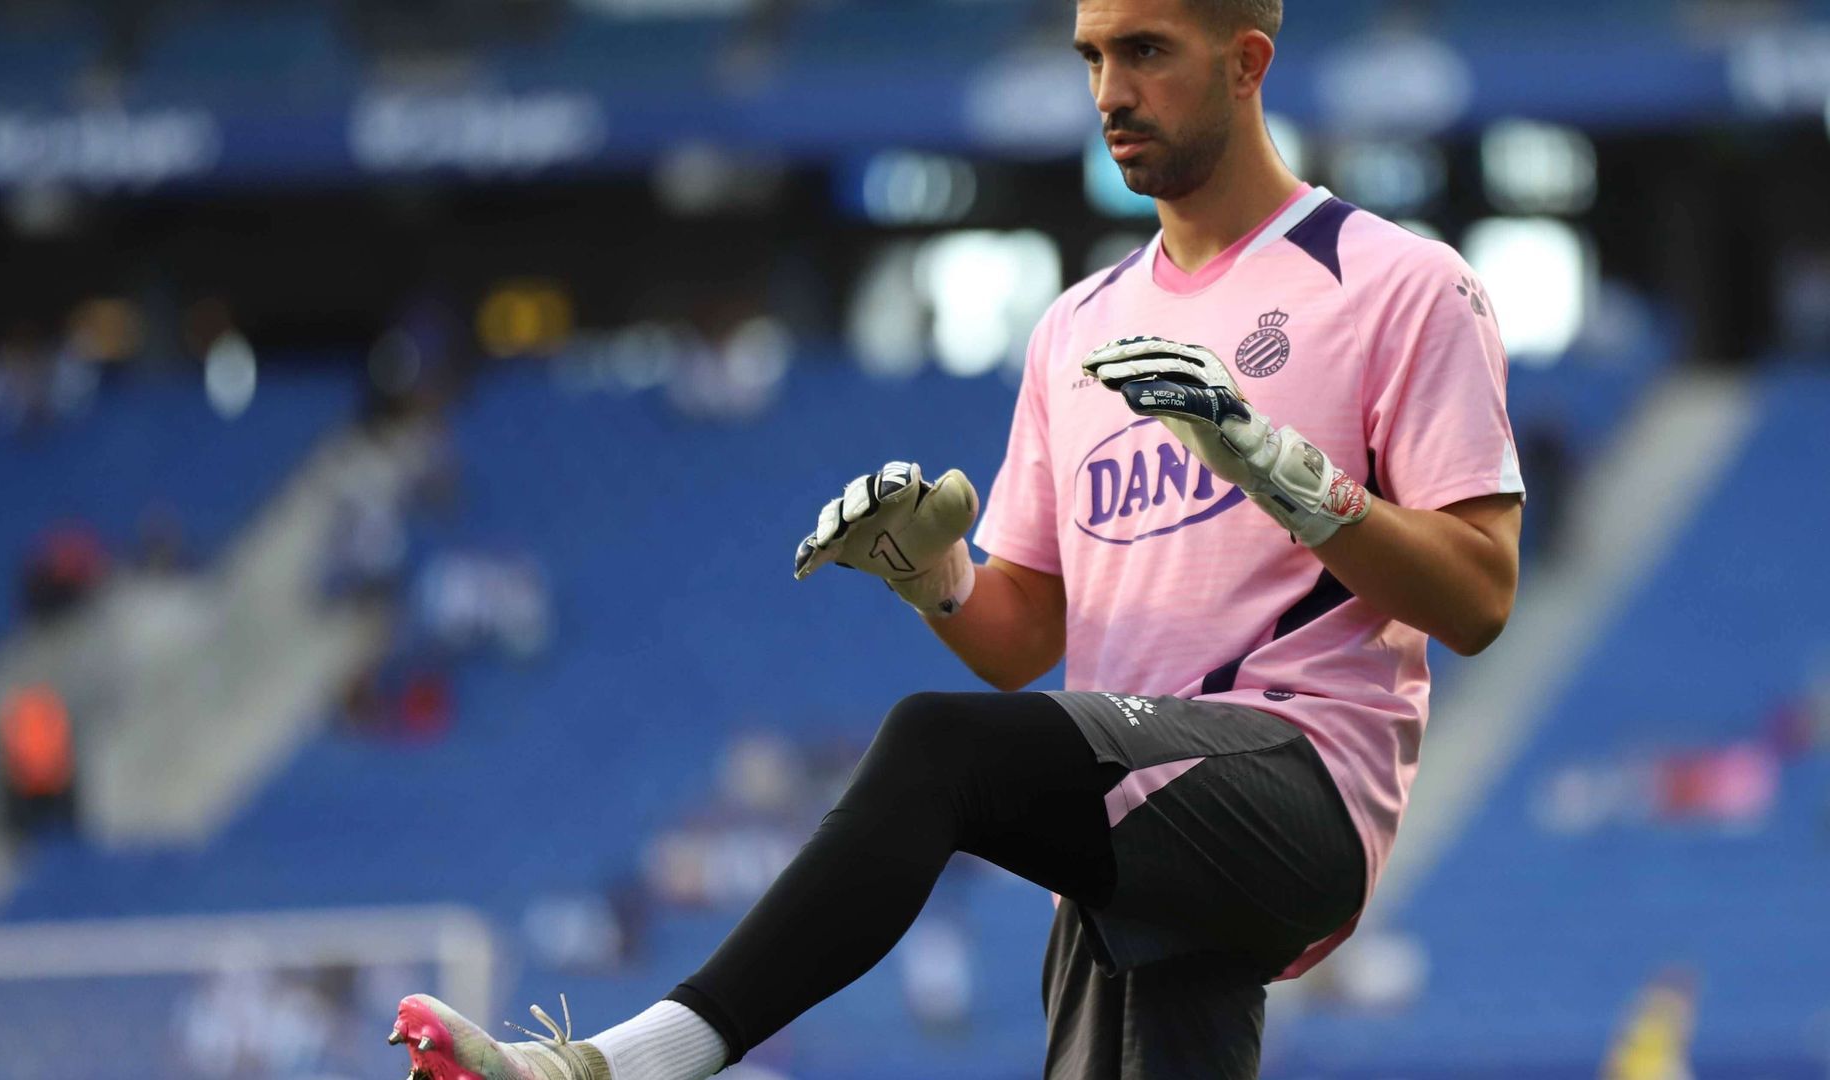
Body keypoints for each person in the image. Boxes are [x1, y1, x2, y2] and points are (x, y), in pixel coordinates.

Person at [390, 0, 1524, 1075]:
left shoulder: (1397, 284)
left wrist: (1287, 475)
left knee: (938, 747)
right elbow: (1022, 638)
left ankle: (621, 1063)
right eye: (1090, 57)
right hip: (1130, 836)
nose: (1110, 91)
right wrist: (933, 578)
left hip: (1295, 788)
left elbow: (1478, 598)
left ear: (1246, 61)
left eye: (1146, 52)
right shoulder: (1076, 327)